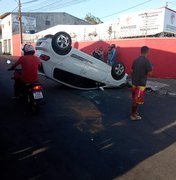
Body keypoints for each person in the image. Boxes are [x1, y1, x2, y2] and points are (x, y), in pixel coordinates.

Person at [130, 46, 152, 121]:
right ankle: (133, 115)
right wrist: (151, 68)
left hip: (134, 83)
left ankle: (135, 112)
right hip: (141, 85)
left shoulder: (135, 60)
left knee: (135, 100)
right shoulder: (146, 61)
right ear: (147, 52)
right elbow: (151, 73)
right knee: (136, 101)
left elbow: (131, 71)